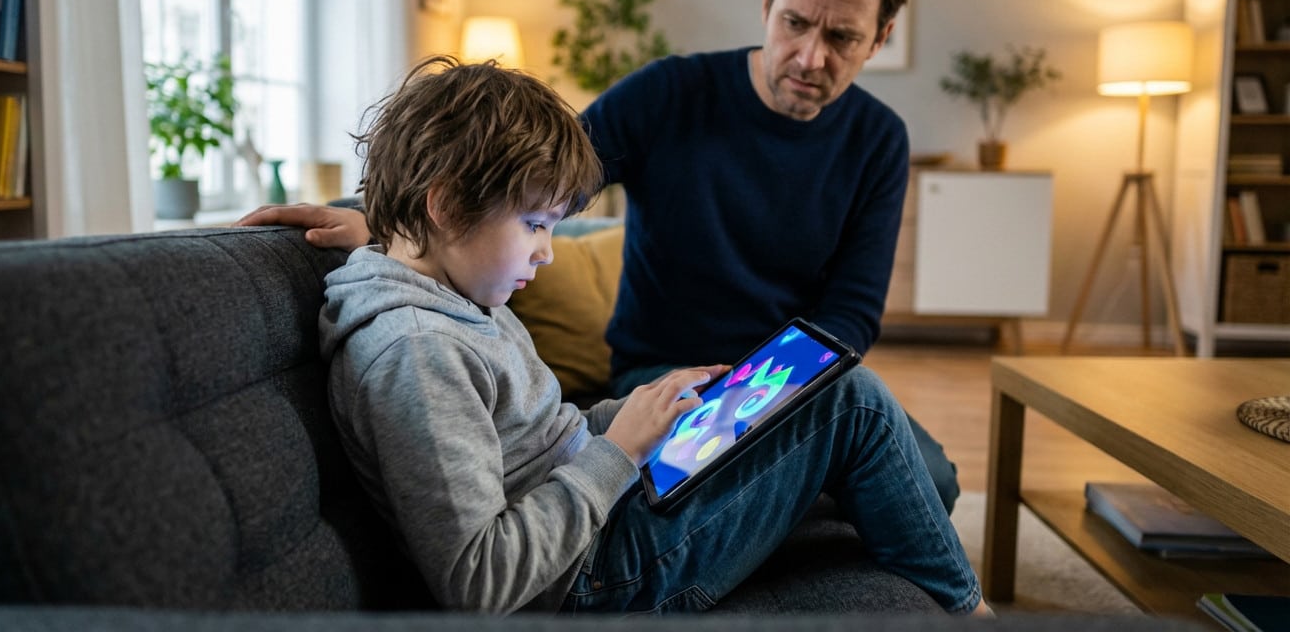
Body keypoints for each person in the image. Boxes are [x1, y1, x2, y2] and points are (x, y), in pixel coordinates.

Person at [238, 0, 960, 514]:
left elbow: (853, 315)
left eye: (841, 38)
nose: (809, 56)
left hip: (783, 377)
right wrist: (396, 221)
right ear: (767, 1)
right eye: (796, 22)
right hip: (659, 372)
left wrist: (762, 399)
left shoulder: (877, 141)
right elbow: (522, 181)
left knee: (931, 479)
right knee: (809, 485)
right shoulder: (670, 94)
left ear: (882, 36)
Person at [317, 53, 988, 615]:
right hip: (590, 578)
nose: (547, 252)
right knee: (854, 404)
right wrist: (619, 452)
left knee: (820, 394)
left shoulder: (458, 296)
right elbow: (481, 581)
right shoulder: (417, 350)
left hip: (608, 512)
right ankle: (967, 611)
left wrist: (638, 417)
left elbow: (532, 438)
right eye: (536, 224)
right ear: (446, 206)